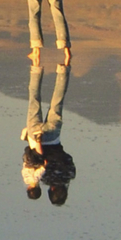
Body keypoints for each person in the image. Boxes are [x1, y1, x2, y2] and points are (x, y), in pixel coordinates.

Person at [20, 55, 76, 205]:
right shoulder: (43, 178)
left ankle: (64, 67)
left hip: (54, 135)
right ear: (51, 191)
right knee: (34, 98)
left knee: (58, 100)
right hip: (35, 136)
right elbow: (30, 161)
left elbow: (68, 157)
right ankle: (36, 65)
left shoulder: (69, 174)